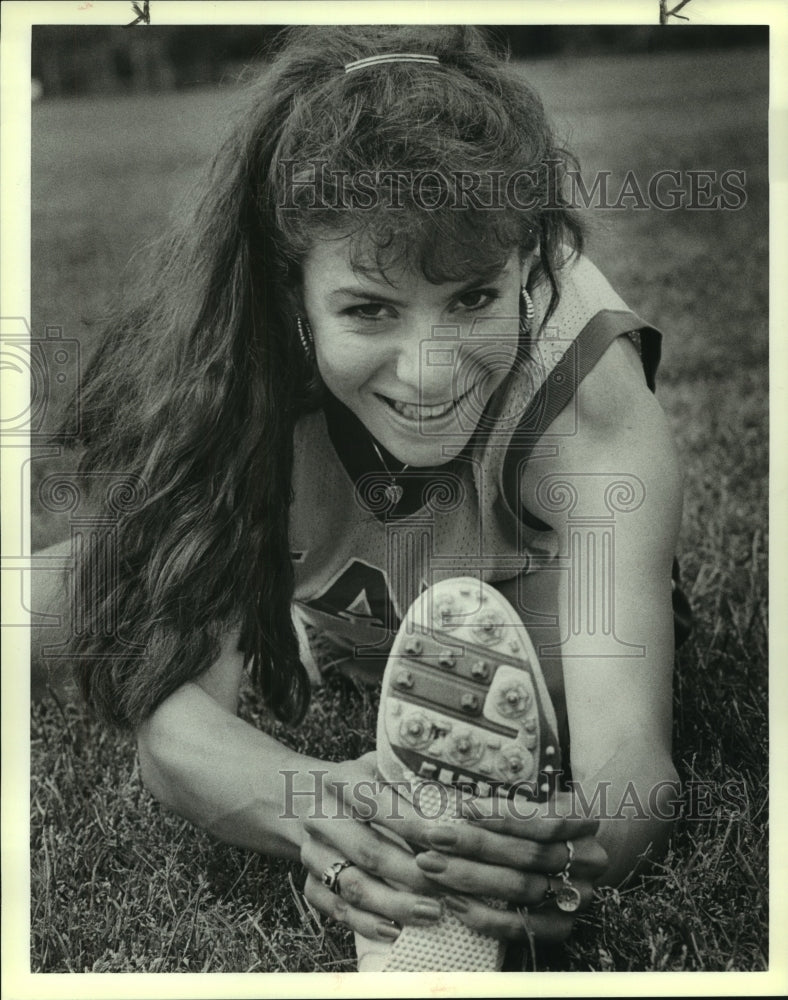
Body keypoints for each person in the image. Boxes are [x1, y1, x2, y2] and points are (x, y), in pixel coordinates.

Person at [35, 25, 686, 971]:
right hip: (323, 614)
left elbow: (631, 761)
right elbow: (175, 726)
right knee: (60, 600)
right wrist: (319, 804)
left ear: (529, 261)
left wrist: (560, 857)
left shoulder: (585, 395)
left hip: (523, 635)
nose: (429, 373)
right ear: (294, 297)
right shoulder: (241, 378)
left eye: (471, 299)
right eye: (369, 309)